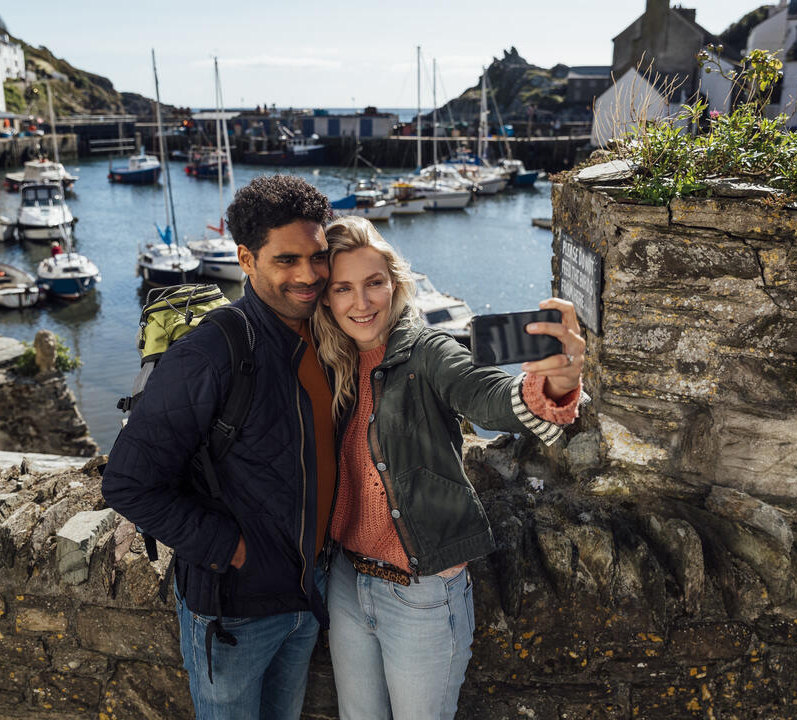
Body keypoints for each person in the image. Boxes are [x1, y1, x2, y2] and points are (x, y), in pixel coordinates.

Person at [311, 216, 586, 720]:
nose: (362, 302)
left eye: (374, 283)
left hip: (422, 594)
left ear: (394, 283)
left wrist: (554, 385)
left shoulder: (427, 350)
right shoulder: (328, 361)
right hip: (348, 584)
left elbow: (485, 395)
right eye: (342, 288)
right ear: (326, 298)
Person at [101, 175, 337, 720]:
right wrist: (227, 549)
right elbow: (127, 482)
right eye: (286, 260)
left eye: (318, 257)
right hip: (235, 612)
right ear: (246, 261)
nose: (308, 275)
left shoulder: (322, 337)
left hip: (307, 595)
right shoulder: (210, 352)